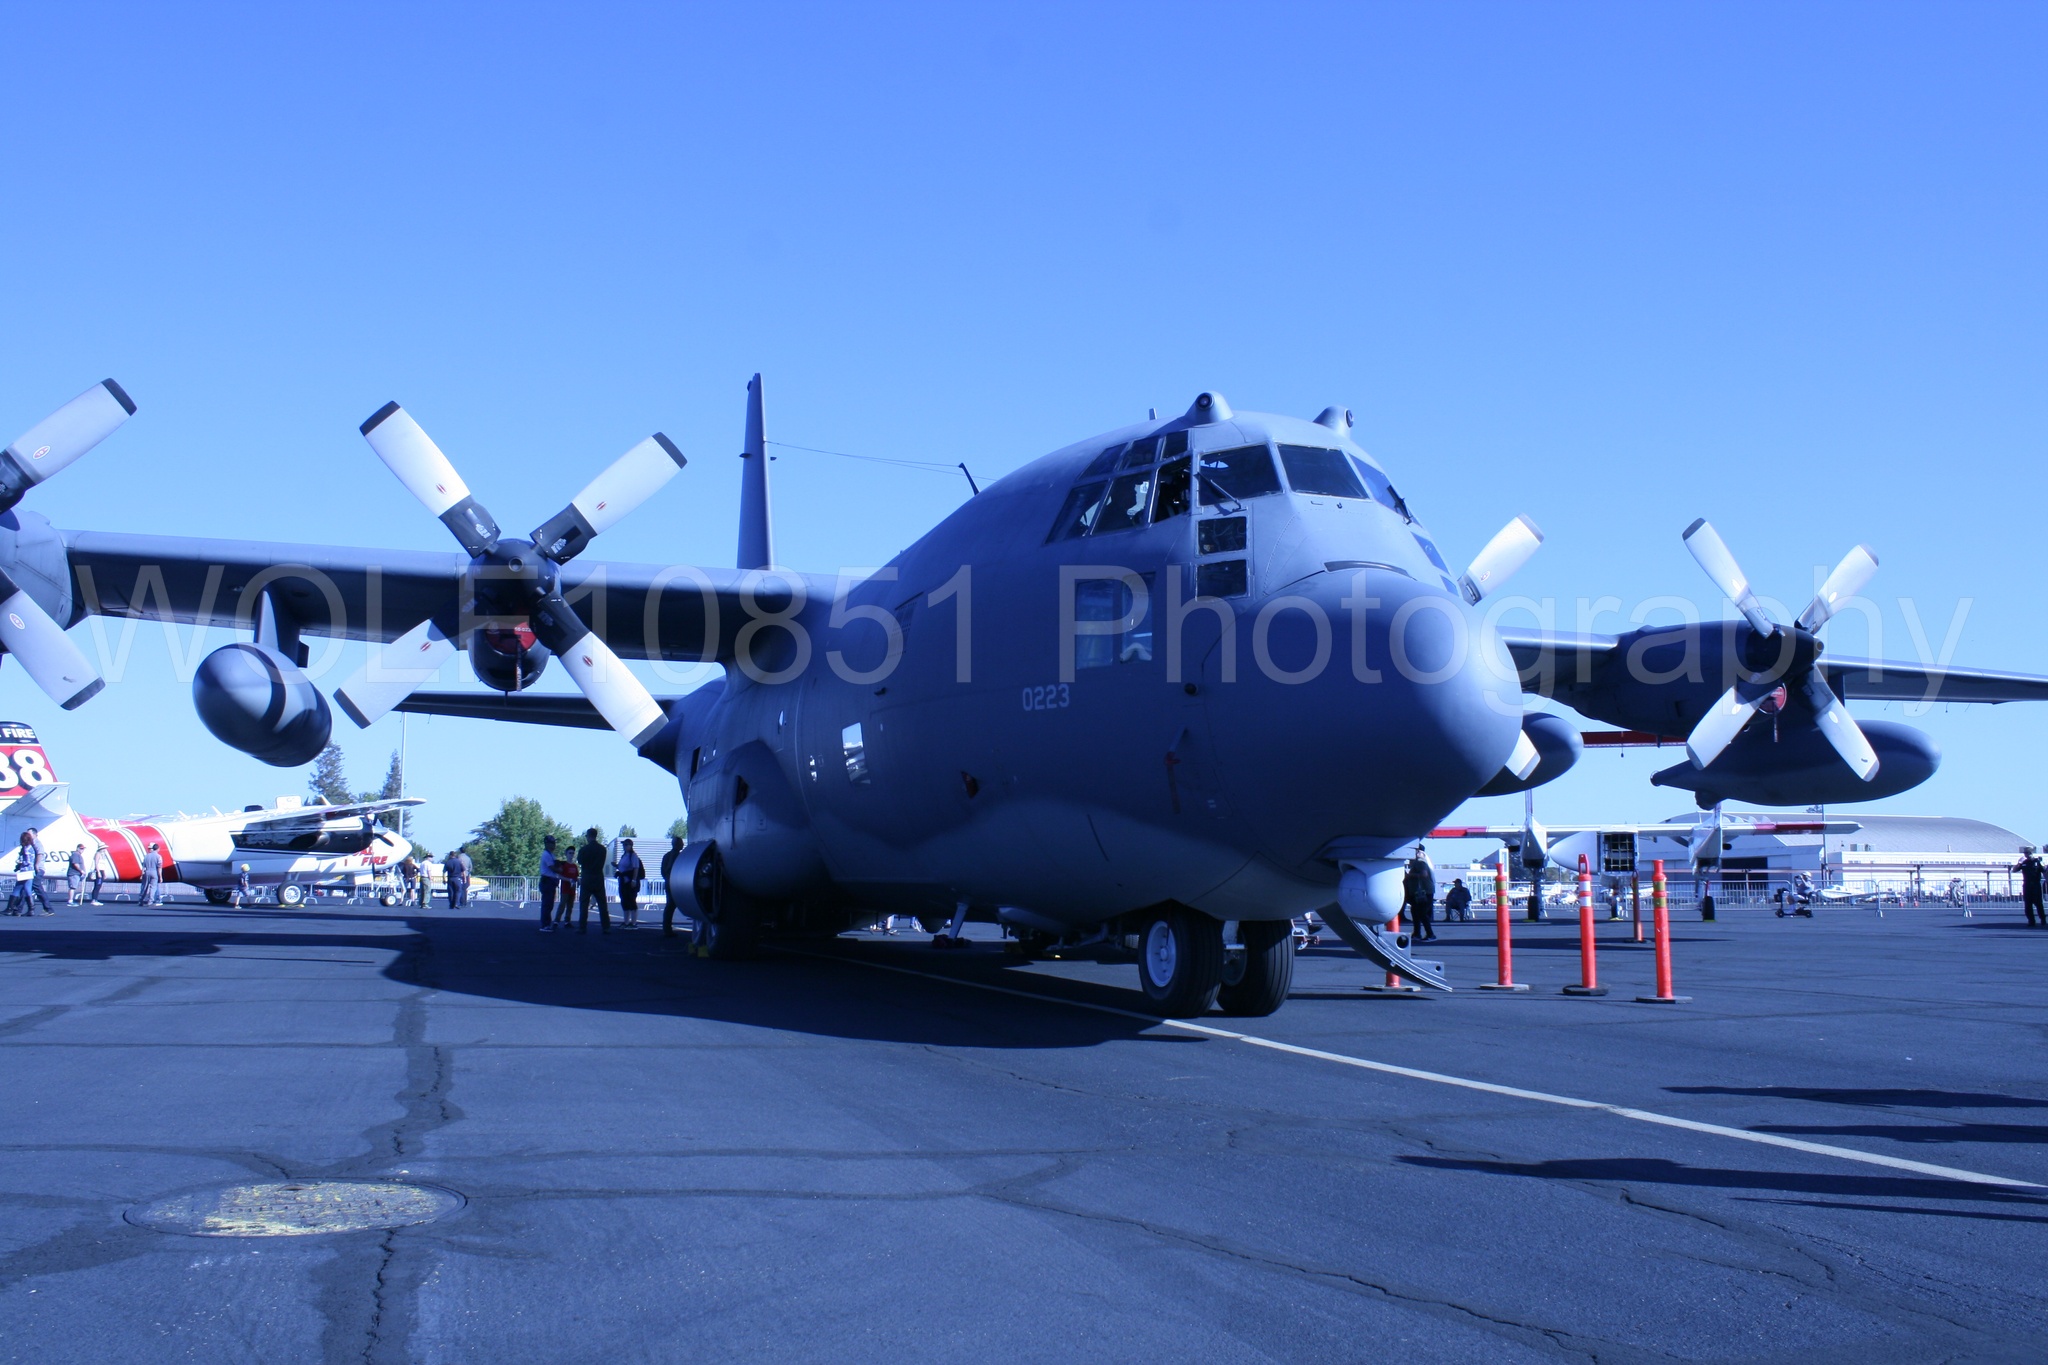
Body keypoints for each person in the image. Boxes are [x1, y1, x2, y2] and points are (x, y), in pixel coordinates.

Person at [575, 828, 609, 933]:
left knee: (584, 904)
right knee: (602, 904)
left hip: (587, 877)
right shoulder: (602, 849)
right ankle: (606, 927)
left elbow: (580, 861)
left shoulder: (584, 850)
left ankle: (582, 927)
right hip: (598, 877)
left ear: (588, 836)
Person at [1404, 846, 1436, 942]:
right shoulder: (1420, 862)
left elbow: (1424, 874)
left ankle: (1430, 934)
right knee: (1415, 913)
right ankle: (1417, 933)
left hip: (1423, 892)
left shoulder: (1420, 862)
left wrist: (1409, 875)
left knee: (1421, 913)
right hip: (1420, 892)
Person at [615, 838, 645, 929]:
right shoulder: (624, 855)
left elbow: (636, 868)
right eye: (624, 845)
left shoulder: (633, 856)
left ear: (630, 846)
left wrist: (634, 880)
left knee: (631, 900)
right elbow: (622, 867)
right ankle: (626, 922)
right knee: (624, 900)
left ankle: (634, 922)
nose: (624, 847)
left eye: (626, 845)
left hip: (629, 881)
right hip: (623, 880)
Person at [2014, 848, 2046, 928]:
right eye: (2025, 853)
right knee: (2028, 904)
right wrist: (2019, 863)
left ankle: (2043, 919)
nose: (2026, 855)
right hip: (2027, 885)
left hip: (2036, 885)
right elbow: (2014, 870)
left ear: (2031, 853)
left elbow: (2044, 870)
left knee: (2038, 904)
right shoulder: (2024, 862)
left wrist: (2041, 863)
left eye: (2028, 853)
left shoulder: (2037, 861)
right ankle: (2031, 921)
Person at [660, 835, 685, 937]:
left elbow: (663, 871)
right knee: (671, 906)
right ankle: (667, 929)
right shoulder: (680, 856)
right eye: (681, 843)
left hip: (668, 882)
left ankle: (666, 928)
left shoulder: (667, 856)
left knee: (669, 906)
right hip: (675, 883)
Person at [538, 834, 560, 933]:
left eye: (554, 843)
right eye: (552, 843)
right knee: (547, 904)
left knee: (549, 904)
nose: (554, 845)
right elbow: (552, 868)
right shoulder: (546, 855)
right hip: (547, 881)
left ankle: (547, 923)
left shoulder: (551, 854)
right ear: (547, 844)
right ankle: (545, 924)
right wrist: (561, 870)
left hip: (550, 881)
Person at [556, 854, 580, 927]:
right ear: (566, 854)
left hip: (572, 889)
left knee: (570, 905)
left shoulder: (575, 866)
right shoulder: (564, 865)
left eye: (572, 853)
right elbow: (559, 876)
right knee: (562, 904)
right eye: (570, 853)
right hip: (565, 888)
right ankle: (557, 920)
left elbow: (576, 876)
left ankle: (567, 921)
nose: (571, 855)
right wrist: (569, 880)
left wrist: (577, 881)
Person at [140, 842, 164, 906]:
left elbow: (143, 866)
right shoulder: (158, 856)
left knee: (145, 887)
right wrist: (160, 877)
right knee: (153, 887)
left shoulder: (146, 856)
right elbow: (159, 867)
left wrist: (142, 874)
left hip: (147, 872)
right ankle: (150, 901)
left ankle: (141, 900)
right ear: (158, 849)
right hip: (154, 872)